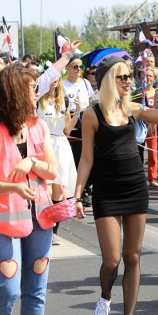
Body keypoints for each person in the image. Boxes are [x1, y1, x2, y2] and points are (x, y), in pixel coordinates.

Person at [73, 56, 158, 315]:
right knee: (111, 260)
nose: (128, 81)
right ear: (108, 79)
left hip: (135, 186)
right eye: (122, 76)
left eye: (129, 76)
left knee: (132, 256)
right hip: (106, 190)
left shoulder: (133, 109)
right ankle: (105, 298)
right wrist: (76, 196)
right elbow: (86, 158)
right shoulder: (92, 114)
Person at [0, 64, 59, 315]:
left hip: (40, 220)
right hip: (1, 223)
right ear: (17, 92)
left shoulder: (38, 127)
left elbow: (52, 171)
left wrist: (32, 161)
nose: (37, 94)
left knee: (36, 291)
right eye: (32, 89)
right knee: (8, 291)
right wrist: (12, 187)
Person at [37, 72, 80, 246]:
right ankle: (42, 225)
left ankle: (53, 230)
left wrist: (76, 112)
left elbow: (67, 130)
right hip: (43, 145)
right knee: (44, 189)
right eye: (51, 78)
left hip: (60, 145)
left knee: (58, 191)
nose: (54, 81)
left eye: (57, 78)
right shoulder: (38, 100)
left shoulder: (64, 101)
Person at [63, 55, 94, 205]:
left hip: (86, 123)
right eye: (75, 67)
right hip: (71, 125)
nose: (78, 70)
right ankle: (75, 191)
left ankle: (86, 188)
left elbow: (91, 102)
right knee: (75, 159)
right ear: (67, 68)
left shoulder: (85, 83)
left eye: (80, 67)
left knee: (87, 156)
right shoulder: (63, 85)